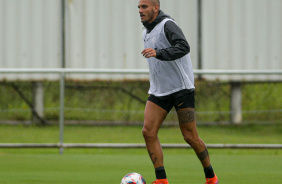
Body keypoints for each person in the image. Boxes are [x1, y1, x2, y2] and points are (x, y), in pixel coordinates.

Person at [138, 0, 219, 184]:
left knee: (190, 136)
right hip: (159, 91)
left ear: (155, 8)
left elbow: (183, 46)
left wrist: (159, 53)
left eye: (144, 7)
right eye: (139, 7)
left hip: (182, 89)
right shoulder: (145, 32)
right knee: (148, 132)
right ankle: (161, 180)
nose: (140, 11)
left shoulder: (168, 25)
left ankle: (211, 177)